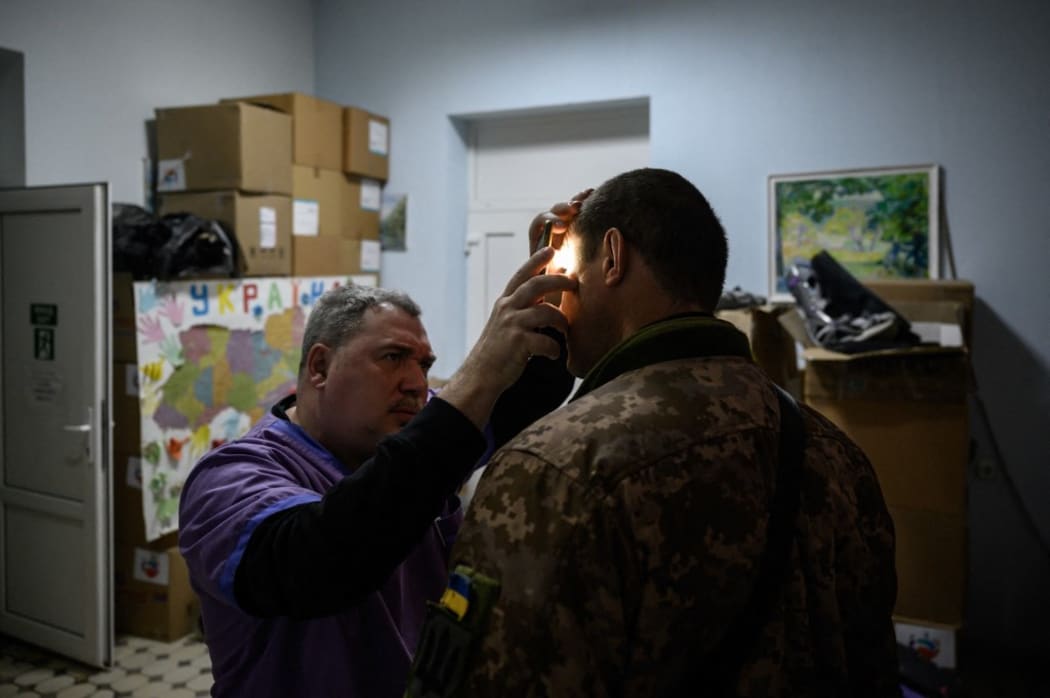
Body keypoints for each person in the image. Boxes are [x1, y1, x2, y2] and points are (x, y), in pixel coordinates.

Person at [430, 168, 899, 696]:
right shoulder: (837, 454)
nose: (560, 296)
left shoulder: (553, 470)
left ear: (612, 257)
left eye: (567, 267)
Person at [178, 248, 577, 697]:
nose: (416, 382)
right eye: (392, 358)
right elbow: (320, 562)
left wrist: (555, 285)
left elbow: (527, 393)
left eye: (423, 364)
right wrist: (479, 368)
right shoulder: (229, 479)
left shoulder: (407, 431)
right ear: (320, 367)